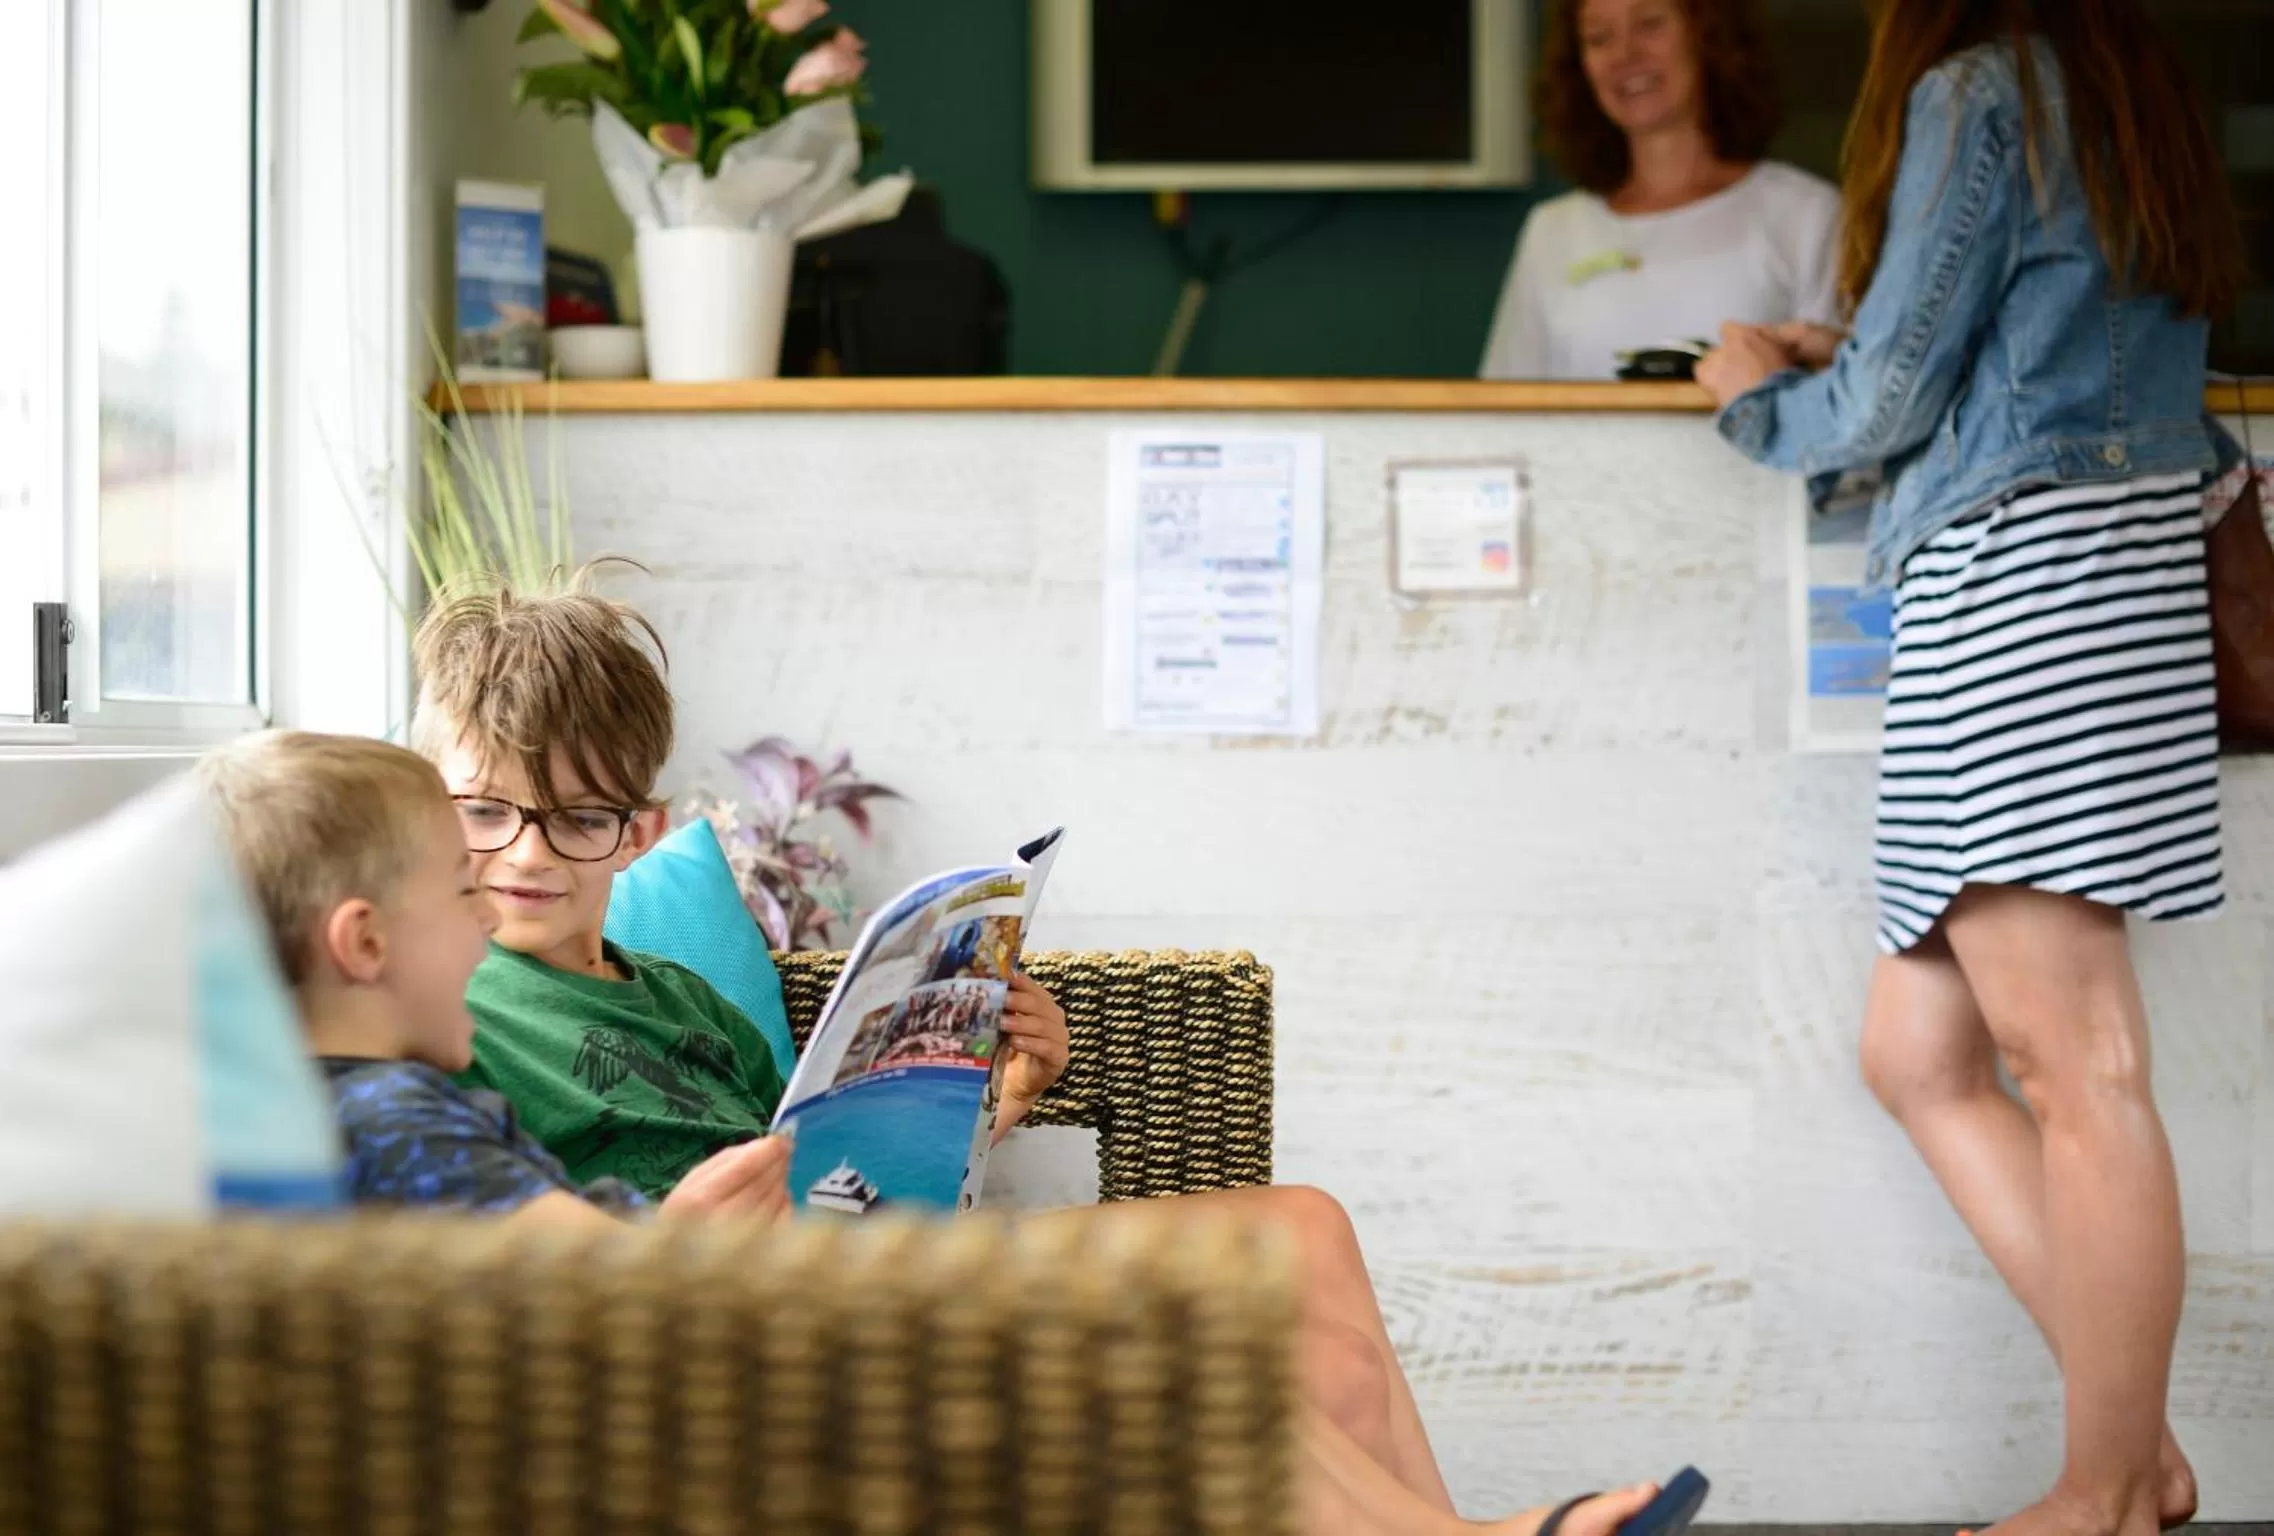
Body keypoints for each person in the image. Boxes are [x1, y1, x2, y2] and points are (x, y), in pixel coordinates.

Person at [410, 574, 1663, 1536]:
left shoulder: (688, 999)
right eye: (485, 810)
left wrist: (998, 1089)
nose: (527, 853)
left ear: (640, 831)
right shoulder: (445, 1005)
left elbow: (840, 1166)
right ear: (429, 802)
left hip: (857, 1258)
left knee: (1307, 1237)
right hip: (735, 1332)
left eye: (578, 819)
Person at [1696, 3, 2246, 1532]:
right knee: (1918, 1054)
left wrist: (1751, 393)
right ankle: (2136, 1454)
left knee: (2079, 1065)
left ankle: (2103, 1494)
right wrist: (1851, 349)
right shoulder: (2126, 80)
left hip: (2023, 593)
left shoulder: (1979, 91)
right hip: (2101, 573)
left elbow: (1887, 403)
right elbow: (2031, 343)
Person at [198, 729, 793, 1227]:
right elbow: (610, 1278)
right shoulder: (393, 1124)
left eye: (580, 818)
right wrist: (680, 1238)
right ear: (366, 942)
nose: (487, 915)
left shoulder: (319, 1103)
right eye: (463, 891)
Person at [1479, 0, 1839, 381]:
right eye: (1599, 38)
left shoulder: (1808, 216)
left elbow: (1848, 399)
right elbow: (1504, 404)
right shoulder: (1552, 231)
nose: (1624, 55)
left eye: (1649, 24)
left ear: (1708, 36)